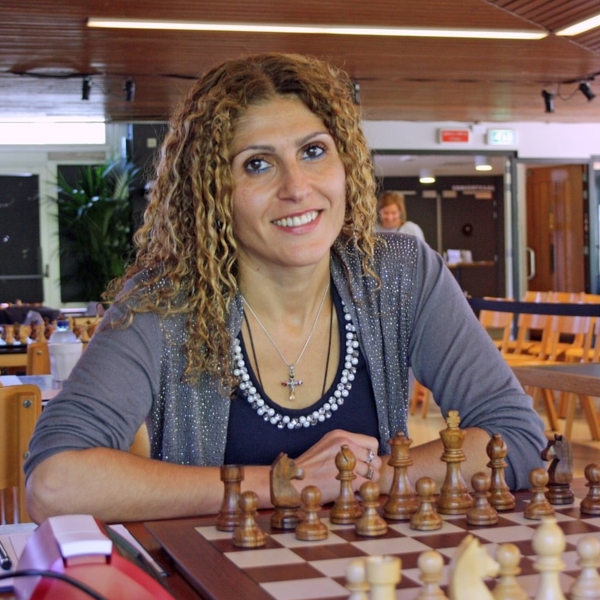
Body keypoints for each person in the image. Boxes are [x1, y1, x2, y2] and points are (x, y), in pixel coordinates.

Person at [25, 52, 546, 524]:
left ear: (346, 165)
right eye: (258, 163)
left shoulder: (401, 274)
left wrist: (369, 477)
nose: (297, 187)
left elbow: (518, 437)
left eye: (314, 151)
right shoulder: (164, 303)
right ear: (212, 194)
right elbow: (53, 483)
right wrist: (280, 485)